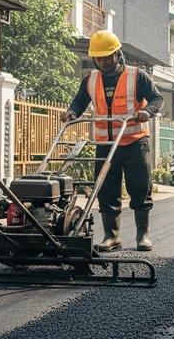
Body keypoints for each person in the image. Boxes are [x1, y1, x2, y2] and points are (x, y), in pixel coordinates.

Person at [60, 30, 163, 252]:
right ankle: (111, 236)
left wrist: (147, 111)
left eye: (107, 57)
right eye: (99, 58)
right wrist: (71, 112)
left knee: (139, 188)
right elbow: (79, 101)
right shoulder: (90, 79)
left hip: (134, 142)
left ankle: (143, 235)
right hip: (105, 145)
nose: (104, 62)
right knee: (106, 190)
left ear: (118, 54)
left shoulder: (138, 75)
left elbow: (157, 98)